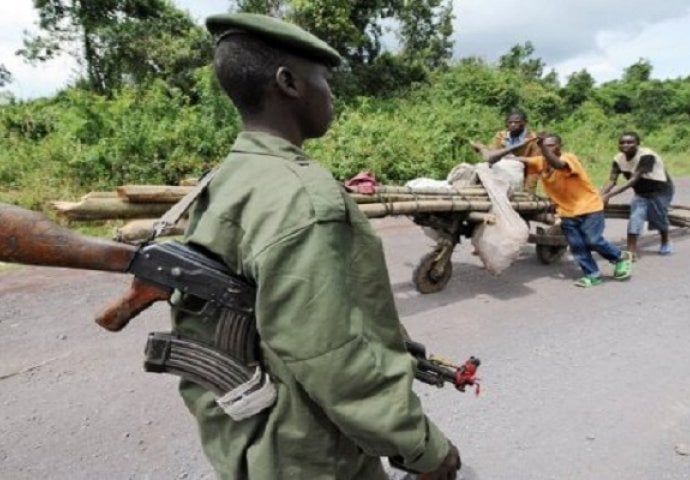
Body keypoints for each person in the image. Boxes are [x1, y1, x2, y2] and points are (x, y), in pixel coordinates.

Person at [171, 12, 460, 480]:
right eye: (323, 79)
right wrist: (422, 446)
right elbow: (331, 354)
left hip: (244, 431)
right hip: (310, 452)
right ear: (288, 82)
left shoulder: (231, 176)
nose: (331, 94)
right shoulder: (303, 195)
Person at [489, 133, 633, 287]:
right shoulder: (540, 162)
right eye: (546, 145)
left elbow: (557, 164)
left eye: (552, 145)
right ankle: (592, 274)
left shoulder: (568, 158)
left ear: (560, 147)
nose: (549, 148)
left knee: (593, 240)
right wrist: (519, 145)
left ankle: (620, 257)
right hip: (567, 211)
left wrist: (542, 146)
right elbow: (499, 160)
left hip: (589, 207)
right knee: (577, 245)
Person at [600, 132, 675, 259]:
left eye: (630, 142)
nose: (625, 145)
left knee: (658, 217)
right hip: (641, 192)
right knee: (635, 217)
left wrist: (609, 195)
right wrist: (600, 195)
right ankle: (631, 250)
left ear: (638, 144)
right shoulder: (618, 159)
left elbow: (633, 180)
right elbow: (612, 180)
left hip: (660, 190)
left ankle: (665, 240)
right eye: (622, 142)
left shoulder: (647, 156)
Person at [471, 110, 542, 192]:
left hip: (521, 175)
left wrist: (529, 189)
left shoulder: (533, 140)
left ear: (525, 122)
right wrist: (482, 148)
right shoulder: (501, 136)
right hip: (500, 174)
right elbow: (492, 153)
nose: (513, 125)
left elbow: (534, 166)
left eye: (517, 122)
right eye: (510, 122)